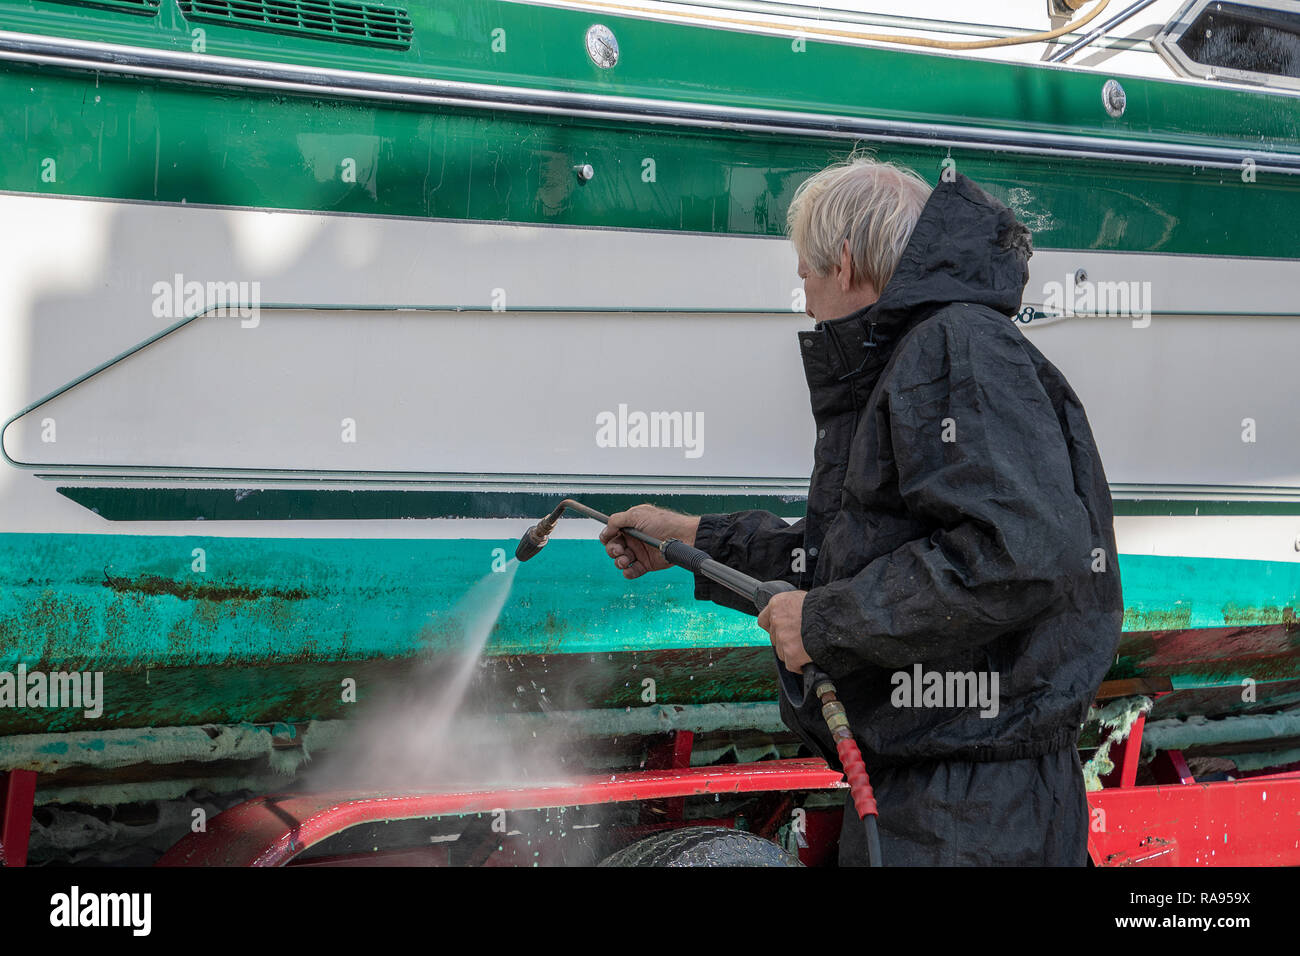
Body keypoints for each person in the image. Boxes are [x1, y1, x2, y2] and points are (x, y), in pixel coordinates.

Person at [599, 157, 1124, 866]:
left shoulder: (955, 347)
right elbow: (853, 561)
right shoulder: (925, 352)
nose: (802, 290)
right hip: (944, 791)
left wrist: (824, 623)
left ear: (844, 262)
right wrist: (692, 541)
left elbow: (1016, 553)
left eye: (804, 270)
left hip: (971, 814)